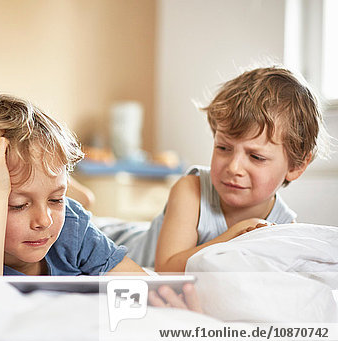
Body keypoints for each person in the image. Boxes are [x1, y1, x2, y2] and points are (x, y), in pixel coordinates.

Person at [101, 66, 326, 274]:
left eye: (256, 157)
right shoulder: (192, 190)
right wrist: (233, 236)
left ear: (297, 166)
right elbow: (166, 269)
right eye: (223, 148)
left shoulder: (284, 227)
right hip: (117, 245)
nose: (234, 167)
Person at [0, 94, 146, 276]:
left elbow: (139, 283)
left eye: (56, 199)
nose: (44, 220)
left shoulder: (72, 225)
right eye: (18, 205)